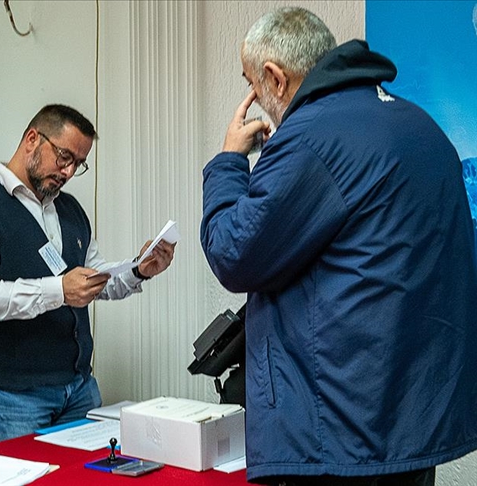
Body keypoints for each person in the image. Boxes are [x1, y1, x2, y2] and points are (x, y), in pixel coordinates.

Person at [200, 7, 477, 486]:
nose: (255, 101)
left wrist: (228, 162)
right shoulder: (421, 126)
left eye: (252, 85)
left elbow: (232, 253)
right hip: (410, 425)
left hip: (337, 433)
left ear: (275, 78)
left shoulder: (311, 138)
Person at [0, 104, 175, 443]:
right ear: (32, 140)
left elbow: (92, 278)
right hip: (13, 397)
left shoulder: (69, 209)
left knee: (92, 471)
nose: (68, 172)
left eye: (78, 164)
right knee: (28, 472)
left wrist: (138, 269)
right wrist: (59, 291)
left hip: (79, 388)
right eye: (64, 157)